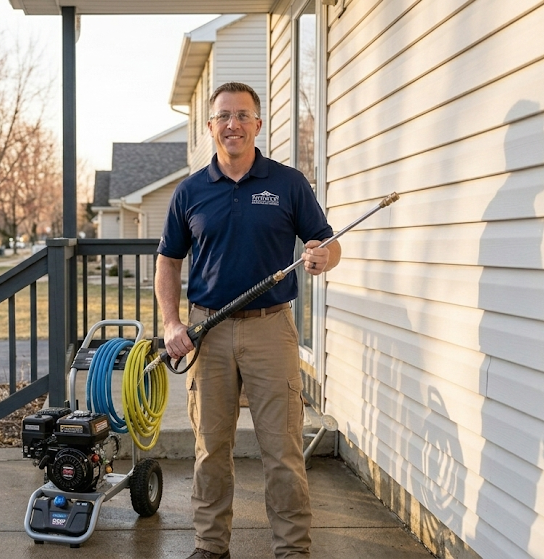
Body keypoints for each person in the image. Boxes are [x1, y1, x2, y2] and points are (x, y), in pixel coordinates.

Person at [155, 82, 341, 559]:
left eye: (242, 115)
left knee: (282, 452)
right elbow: (168, 261)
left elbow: (327, 242)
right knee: (211, 449)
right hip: (207, 333)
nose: (233, 124)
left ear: (258, 125)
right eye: (223, 116)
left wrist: (324, 256)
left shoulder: (288, 183)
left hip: (270, 328)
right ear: (211, 126)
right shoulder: (190, 191)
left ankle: (292, 550)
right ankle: (210, 547)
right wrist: (172, 323)